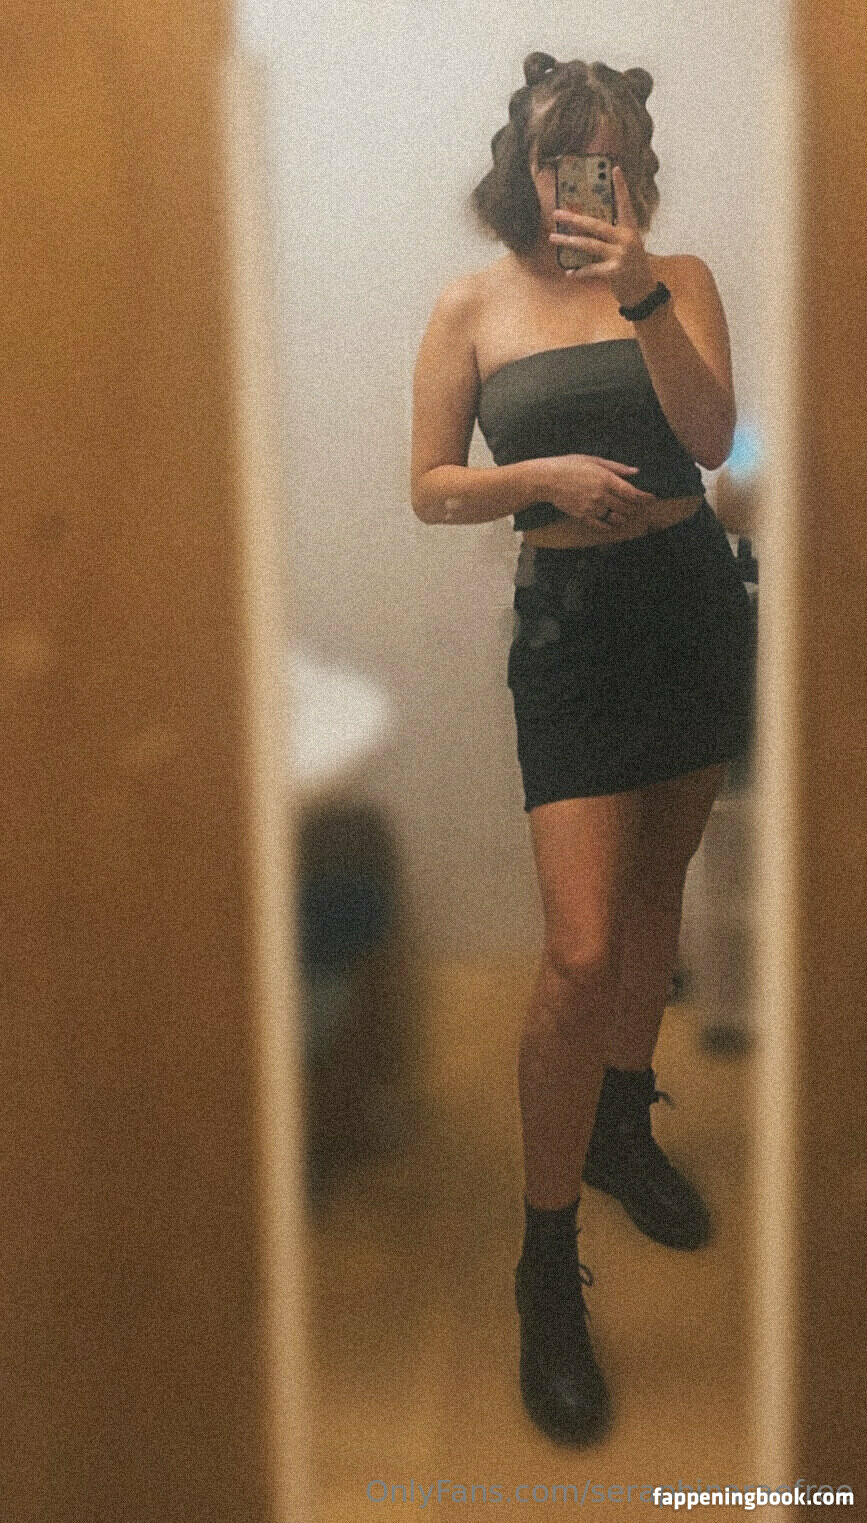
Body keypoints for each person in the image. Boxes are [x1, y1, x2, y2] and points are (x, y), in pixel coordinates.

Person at [410, 52, 755, 1446]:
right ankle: (545, 1265)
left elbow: (714, 441)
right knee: (578, 951)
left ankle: (623, 1122)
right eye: (565, 157)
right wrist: (536, 476)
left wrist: (642, 294)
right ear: (526, 165)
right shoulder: (470, 305)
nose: (585, 183)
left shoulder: (678, 279)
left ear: (636, 167)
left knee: (658, 901)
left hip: (689, 607)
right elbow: (430, 488)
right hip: (570, 632)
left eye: (608, 157)